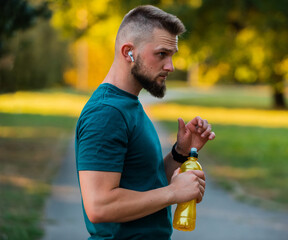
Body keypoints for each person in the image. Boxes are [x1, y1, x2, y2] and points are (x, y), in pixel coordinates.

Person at [75, 5, 215, 240]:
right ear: (128, 52)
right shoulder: (106, 113)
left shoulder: (128, 104)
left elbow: (144, 182)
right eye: (162, 54)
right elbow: (99, 206)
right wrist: (173, 192)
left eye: (172, 55)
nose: (170, 66)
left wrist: (179, 153)